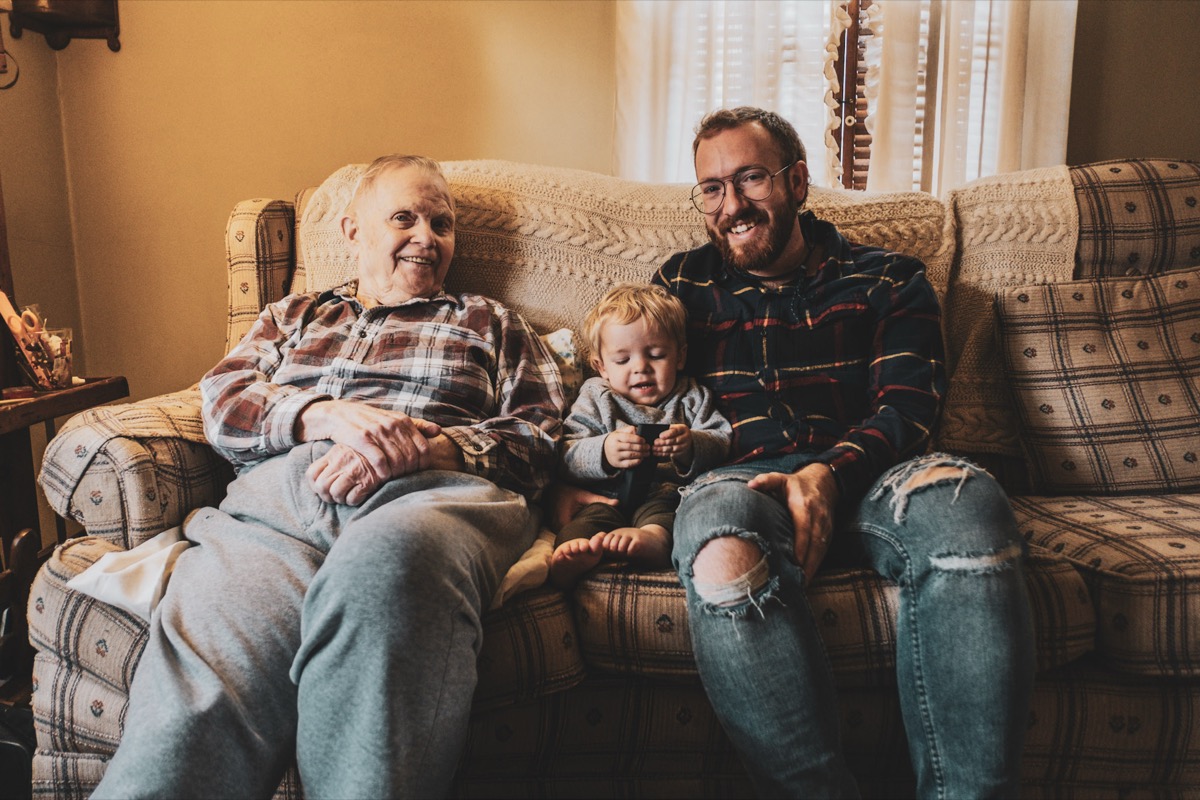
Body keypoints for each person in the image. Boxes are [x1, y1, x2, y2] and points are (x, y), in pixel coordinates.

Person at [558, 107, 1036, 798]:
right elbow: (625, 385)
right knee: (719, 552)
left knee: (968, 503)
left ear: (799, 181)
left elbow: (908, 409)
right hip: (735, 478)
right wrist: (582, 472)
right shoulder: (681, 286)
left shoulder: (889, 279)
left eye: (751, 178)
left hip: (876, 473)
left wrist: (829, 473)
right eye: (713, 188)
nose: (732, 205)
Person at [93, 155, 565, 799]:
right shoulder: (295, 314)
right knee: (196, 702)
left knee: (385, 570)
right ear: (352, 231)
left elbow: (540, 439)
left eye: (442, 224)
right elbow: (221, 403)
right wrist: (323, 414)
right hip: (278, 511)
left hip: (431, 498)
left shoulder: (491, 321)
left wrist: (424, 448)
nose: (427, 237)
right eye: (404, 218)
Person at [550, 283, 731, 588]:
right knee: (584, 525)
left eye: (656, 355)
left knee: (665, 519)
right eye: (623, 360)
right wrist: (604, 451)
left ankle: (652, 542)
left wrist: (690, 445)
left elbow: (722, 441)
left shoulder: (691, 396)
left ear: (680, 356)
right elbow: (566, 454)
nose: (641, 368)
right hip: (605, 498)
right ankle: (570, 554)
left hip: (663, 495)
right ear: (601, 367)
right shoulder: (595, 396)